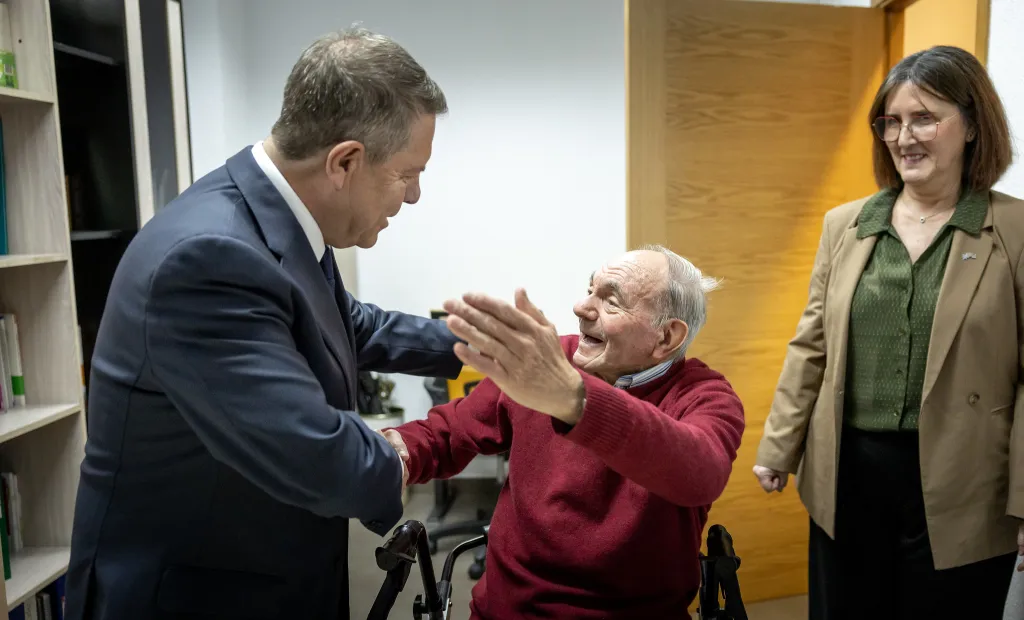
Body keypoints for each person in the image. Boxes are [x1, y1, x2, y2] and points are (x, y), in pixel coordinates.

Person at [66, 28, 463, 620]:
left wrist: (476, 347)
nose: (413, 197)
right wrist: (407, 452)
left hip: (267, 565)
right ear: (346, 162)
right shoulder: (206, 259)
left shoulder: (279, 220)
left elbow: (348, 324)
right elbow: (320, 456)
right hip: (195, 593)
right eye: (407, 174)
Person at [754, 45, 1024, 620]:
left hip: (968, 479)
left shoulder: (1015, 229)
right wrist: (780, 445)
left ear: (973, 125)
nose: (905, 137)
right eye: (892, 122)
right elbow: (812, 345)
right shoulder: (846, 225)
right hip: (849, 473)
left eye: (925, 117)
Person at [381, 246, 746, 619]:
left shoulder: (706, 396)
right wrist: (395, 453)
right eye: (590, 290)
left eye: (611, 300)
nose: (581, 307)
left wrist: (578, 401)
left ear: (666, 337)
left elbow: (699, 472)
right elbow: (448, 432)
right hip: (506, 609)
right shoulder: (551, 364)